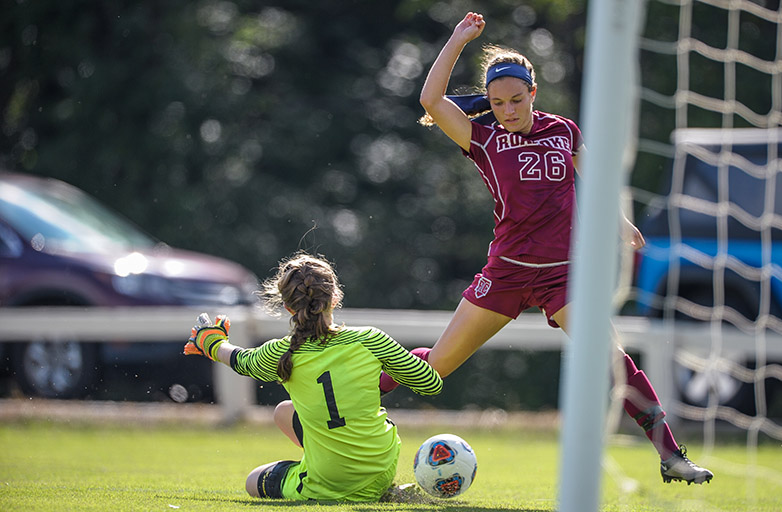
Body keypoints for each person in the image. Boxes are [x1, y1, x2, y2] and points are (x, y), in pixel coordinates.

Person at [380, 12, 713, 485]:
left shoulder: (564, 130)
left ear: (533, 93)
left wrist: (621, 225)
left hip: (563, 277)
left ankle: (672, 457)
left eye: (516, 100)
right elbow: (431, 99)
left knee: (615, 362)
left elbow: (593, 183)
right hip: (507, 274)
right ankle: (345, 407)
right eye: (497, 103)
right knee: (433, 371)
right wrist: (456, 40)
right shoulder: (482, 137)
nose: (508, 110)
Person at [184, 252, 442, 502]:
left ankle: (325, 467)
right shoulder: (371, 338)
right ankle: (378, 486)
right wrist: (393, 373)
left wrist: (211, 342)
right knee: (284, 411)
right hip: (380, 469)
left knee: (253, 480)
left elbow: (241, 361)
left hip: (326, 483)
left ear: (287, 307)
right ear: (335, 297)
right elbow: (430, 383)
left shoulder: (282, 352)